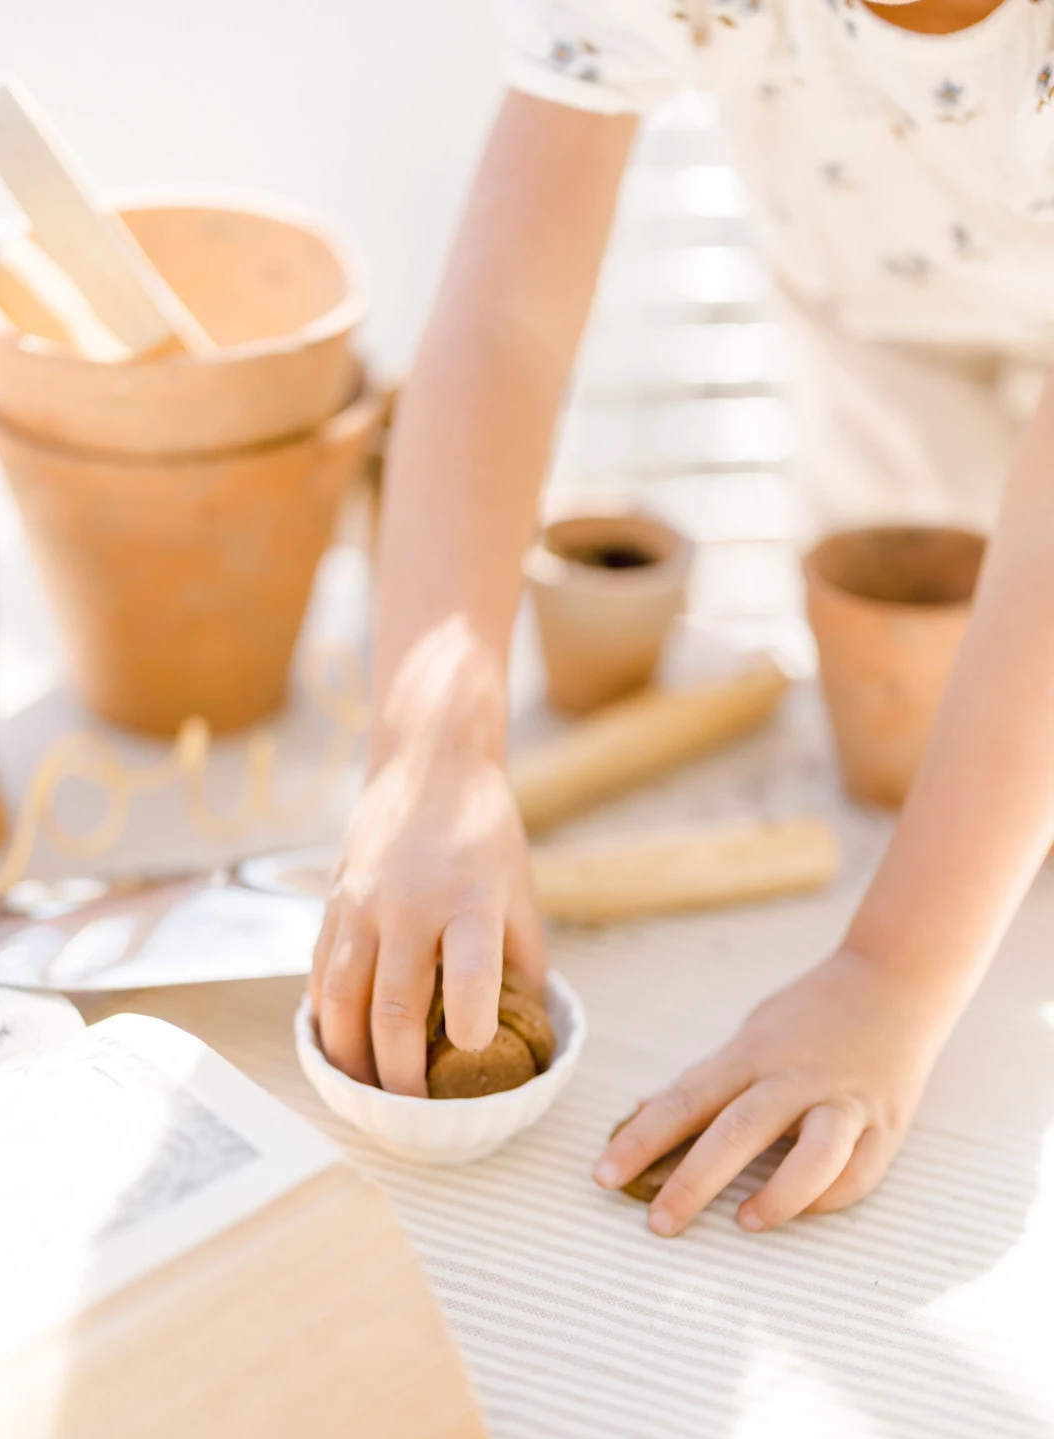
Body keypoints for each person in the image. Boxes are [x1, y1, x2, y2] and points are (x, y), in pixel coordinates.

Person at [310, 0, 1054, 1235]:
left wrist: (892, 977)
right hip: (880, 323)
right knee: (921, 743)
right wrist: (431, 747)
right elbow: (506, 321)